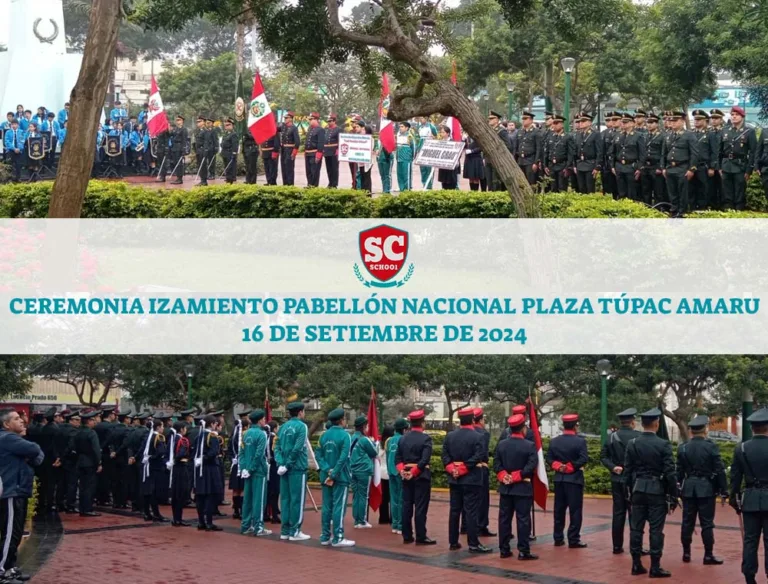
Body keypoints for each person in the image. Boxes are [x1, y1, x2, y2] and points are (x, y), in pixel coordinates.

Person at [624, 407, 678, 577]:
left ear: (642, 424)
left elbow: (627, 471)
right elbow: (670, 472)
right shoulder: (663, 444)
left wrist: (628, 491)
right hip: (656, 490)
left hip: (638, 489)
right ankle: (655, 567)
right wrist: (674, 494)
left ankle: (636, 564)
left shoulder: (632, 443)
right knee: (656, 530)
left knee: (636, 528)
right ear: (657, 423)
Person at [0, 408, 43, 584]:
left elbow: (37, 458)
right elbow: (35, 449)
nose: (22, 421)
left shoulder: (12, 440)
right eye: (17, 419)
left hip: (18, 490)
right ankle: (2, 571)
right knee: (10, 533)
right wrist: (31, 453)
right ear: (6, 424)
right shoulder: (8, 438)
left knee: (16, 532)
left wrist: (31, 455)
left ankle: (10, 568)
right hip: (11, 491)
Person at [600, 408, 651, 555]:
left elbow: (603, 456)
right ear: (633, 422)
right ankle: (637, 547)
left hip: (617, 478)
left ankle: (617, 546)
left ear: (621, 422)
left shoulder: (611, 437)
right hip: (635, 479)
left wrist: (613, 467)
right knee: (635, 513)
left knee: (618, 513)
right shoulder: (639, 437)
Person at [677, 414, 726, 565]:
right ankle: (708, 555)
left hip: (689, 488)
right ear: (705, 430)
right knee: (707, 523)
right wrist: (723, 490)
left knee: (687, 522)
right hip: (706, 488)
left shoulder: (683, 447)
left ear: (691, 431)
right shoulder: (711, 446)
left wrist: (677, 490)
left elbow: (678, 471)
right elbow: (719, 470)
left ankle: (686, 553)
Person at [443, 407, 492, 554]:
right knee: (471, 511)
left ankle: (453, 542)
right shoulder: (478, 436)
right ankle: (473, 543)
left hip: (455, 478)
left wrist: (453, 469)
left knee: (454, 510)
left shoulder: (450, 436)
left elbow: (445, 456)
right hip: (471, 478)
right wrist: (464, 469)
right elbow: (479, 455)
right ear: (472, 420)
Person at [730, 407, 768, 584]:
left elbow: (735, 478)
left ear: (752, 428)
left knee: (750, 541)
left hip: (750, 499)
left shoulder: (741, 448)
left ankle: (749, 576)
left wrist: (734, 498)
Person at [494, 413, 538, 560]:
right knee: (523, 519)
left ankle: (504, 549)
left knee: (504, 519)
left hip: (506, 488)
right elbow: (531, 466)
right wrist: (516, 477)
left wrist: (504, 476)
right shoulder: (529, 445)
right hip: (522, 488)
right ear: (523, 428)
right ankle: (523, 551)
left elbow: (496, 464)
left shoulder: (501, 445)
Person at [546, 413, 589, 548]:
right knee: (575, 510)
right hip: (574, 480)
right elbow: (583, 459)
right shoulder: (580, 441)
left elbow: (549, 459)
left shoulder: (554, 441)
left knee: (559, 509)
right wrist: (571, 467)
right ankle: (573, 539)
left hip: (559, 479)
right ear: (575, 425)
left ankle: (558, 538)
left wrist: (559, 467)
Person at [395, 409, 435, 545]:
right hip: (421, 475)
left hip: (406, 475)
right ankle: (421, 536)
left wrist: (403, 471)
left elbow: (398, 459)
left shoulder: (403, 438)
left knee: (406, 505)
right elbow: (425, 460)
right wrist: (414, 472)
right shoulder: (426, 439)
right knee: (420, 507)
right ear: (422, 423)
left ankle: (407, 535)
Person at [316, 408, 355, 547]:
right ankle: (338, 537)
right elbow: (343, 458)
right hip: (340, 477)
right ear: (341, 420)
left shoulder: (323, 436)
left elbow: (318, 456)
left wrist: (327, 470)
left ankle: (325, 536)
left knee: (326, 507)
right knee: (339, 506)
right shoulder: (345, 436)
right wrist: (334, 473)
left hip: (325, 476)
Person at [275, 401, 311, 541]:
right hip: (297, 468)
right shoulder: (302, 426)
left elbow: (276, 446)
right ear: (300, 412)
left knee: (285, 499)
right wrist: (288, 464)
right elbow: (298, 447)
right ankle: (295, 531)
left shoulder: (283, 427)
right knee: (297, 500)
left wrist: (281, 464)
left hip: (284, 469)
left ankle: (285, 531)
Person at [238, 409, 271, 536]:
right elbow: (259, 454)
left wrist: (244, 468)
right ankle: (259, 527)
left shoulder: (245, 434)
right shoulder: (262, 434)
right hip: (258, 471)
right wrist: (251, 468)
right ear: (260, 420)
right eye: (263, 419)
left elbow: (241, 452)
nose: (265, 421)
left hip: (247, 471)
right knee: (259, 500)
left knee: (248, 499)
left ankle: (246, 526)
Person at [719, 106, 757, 211]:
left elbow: (753, 152)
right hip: (726, 165)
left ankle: (739, 211)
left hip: (740, 165)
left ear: (742, 117)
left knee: (740, 192)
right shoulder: (725, 130)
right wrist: (719, 167)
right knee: (726, 191)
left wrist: (749, 170)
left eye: (736, 115)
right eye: (732, 115)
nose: (734, 117)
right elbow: (720, 151)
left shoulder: (749, 131)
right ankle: (728, 210)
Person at [662, 110, 699, 218]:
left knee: (682, 192)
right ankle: (674, 210)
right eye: (671, 120)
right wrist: (663, 167)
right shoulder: (668, 135)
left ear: (682, 121)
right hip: (670, 168)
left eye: (675, 120)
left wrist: (691, 169)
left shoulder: (689, 135)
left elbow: (694, 153)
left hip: (682, 167)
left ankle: (682, 211)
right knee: (672, 192)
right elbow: (663, 153)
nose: (672, 123)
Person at [193, 414, 224, 531]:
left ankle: (201, 521)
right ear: (212, 424)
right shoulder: (212, 437)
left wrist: (199, 459)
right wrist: (205, 458)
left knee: (200, 495)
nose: (216, 426)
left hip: (200, 468)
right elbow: (214, 452)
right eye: (215, 424)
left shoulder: (199, 436)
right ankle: (209, 522)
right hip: (210, 469)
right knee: (210, 495)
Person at [349, 415, 377, 529]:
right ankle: (362, 521)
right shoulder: (365, 439)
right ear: (364, 426)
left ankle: (356, 520)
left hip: (352, 470)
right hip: (363, 471)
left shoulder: (351, 438)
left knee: (356, 495)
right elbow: (374, 452)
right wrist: (373, 442)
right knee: (363, 496)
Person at [139, 419, 169, 522]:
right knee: (154, 492)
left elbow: (142, 449)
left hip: (146, 466)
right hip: (155, 467)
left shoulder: (148, 436)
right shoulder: (158, 437)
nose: (163, 428)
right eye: (162, 426)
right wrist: (154, 458)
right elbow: (161, 452)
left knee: (147, 491)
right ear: (157, 427)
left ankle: (147, 513)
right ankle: (156, 514)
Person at [612, 113, 645, 201]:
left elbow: (642, 154)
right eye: (622, 122)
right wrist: (613, 166)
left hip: (631, 166)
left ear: (632, 123)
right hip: (619, 166)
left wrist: (639, 168)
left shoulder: (638, 136)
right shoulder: (618, 135)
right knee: (621, 191)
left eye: (626, 122)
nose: (623, 124)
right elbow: (613, 152)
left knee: (631, 192)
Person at [75, 411, 102, 517]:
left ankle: (82, 508)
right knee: (90, 487)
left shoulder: (78, 432)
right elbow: (96, 450)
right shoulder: (91, 433)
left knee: (82, 486)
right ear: (89, 421)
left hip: (80, 461)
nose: (94, 422)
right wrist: (99, 462)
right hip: (90, 462)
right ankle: (88, 509)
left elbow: (74, 446)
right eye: (93, 420)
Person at [689, 110, 717, 211]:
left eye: (699, 119)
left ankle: (702, 208)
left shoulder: (710, 134)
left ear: (705, 121)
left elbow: (714, 152)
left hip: (703, 166)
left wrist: (712, 167)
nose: (696, 121)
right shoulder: (690, 133)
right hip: (691, 166)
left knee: (703, 188)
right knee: (691, 188)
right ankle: (691, 208)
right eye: (695, 119)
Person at [571, 112, 602, 193]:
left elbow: (599, 151)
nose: (581, 123)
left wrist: (597, 167)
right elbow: (575, 151)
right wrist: (574, 165)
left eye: (583, 121)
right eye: (580, 121)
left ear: (589, 123)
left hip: (590, 164)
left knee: (590, 188)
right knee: (581, 188)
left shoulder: (595, 134)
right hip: (580, 164)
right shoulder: (578, 134)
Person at [168, 421, 191, 527]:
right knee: (181, 493)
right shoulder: (183, 440)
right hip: (181, 467)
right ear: (181, 429)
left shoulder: (172, 438)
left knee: (175, 493)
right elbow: (182, 453)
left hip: (174, 468)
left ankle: (176, 518)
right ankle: (178, 519)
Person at [228, 410, 250, 520]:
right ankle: (241, 510)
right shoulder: (244, 437)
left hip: (235, 464)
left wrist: (233, 459)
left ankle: (236, 511)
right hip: (242, 464)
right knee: (242, 488)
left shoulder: (232, 437)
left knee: (236, 489)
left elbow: (229, 451)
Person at [641, 113, 666, 206]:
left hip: (656, 166)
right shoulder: (644, 135)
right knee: (645, 190)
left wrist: (660, 167)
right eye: (648, 122)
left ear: (657, 124)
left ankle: (658, 208)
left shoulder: (662, 136)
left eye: (652, 122)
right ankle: (647, 208)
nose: (649, 124)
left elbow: (663, 153)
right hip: (645, 166)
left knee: (658, 191)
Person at [387, 419, 407, 535]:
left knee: (393, 500)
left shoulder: (389, 440)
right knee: (401, 499)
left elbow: (388, 456)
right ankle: (400, 525)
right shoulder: (403, 439)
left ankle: (394, 525)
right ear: (404, 429)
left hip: (391, 472)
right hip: (400, 472)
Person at [484, 110, 513, 191]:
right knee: (489, 182)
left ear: (497, 120)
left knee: (496, 183)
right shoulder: (488, 130)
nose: (489, 120)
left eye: (492, 118)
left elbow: (508, 146)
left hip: (497, 160)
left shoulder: (502, 131)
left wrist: (499, 154)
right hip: (488, 159)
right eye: (489, 118)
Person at [94, 405, 116, 506]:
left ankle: (98, 497)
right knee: (107, 477)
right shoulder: (111, 426)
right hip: (107, 453)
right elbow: (110, 440)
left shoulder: (97, 426)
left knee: (99, 477)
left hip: (98, 453)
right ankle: (105, 498)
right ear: (110, 415)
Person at [543, 114, 570, 193]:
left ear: (561, 124)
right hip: (552, 166)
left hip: (562, 165)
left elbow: (570, 154)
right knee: (553, 187)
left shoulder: (567, 137)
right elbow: (546, 152)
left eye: (556, 123)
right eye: (553, 123)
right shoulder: (550, 136)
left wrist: (567, 167)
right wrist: (545, 165)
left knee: (562, 188)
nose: (554, 125)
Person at [517, 111, 542, 186]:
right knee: (522, 183)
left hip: (530, 160)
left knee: (531, 182)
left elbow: (538, 148)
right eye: (523, 118)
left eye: (525, 118)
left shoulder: (536, 132)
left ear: (531, 120)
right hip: (521, 160)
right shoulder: (521, 131)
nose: (523, 120)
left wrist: (536, 162)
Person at [265, 419, 281, 523]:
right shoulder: (274, 438)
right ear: (275, 428)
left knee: (269, 490)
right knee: (275, 491)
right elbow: (276, 453)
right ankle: (274, 515)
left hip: (267, 465)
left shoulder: (266, 436)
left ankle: (267, 513)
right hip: (274, 465)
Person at [709, 109, 725, 209]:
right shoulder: (709, 132)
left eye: (716, 118)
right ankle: (713, 207)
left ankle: (723, 207)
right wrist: (711, 166)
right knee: (711, 188)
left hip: (722, 165)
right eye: (712, 118)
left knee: (723, 188)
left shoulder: (725, 131)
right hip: (710, 165)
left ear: (721, 119)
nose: (714, 120)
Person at [378, 425, 394, 525]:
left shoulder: (379, 444)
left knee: (383, 498)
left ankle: (383, 518)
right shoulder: (393, 443)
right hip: (391, 472)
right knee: (393, 497)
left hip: (381, 473)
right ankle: (393, 518)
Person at [303, 112, 325, 187]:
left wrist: (319, 154)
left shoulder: (320, 130)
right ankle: (309, 185)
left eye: (311, 119)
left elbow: (321, 143)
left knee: (314, 171)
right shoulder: (310, 129)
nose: (309, 121)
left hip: (314, 153)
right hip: (308, 153)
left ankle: (314, 186)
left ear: (316, 120)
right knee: (308, 171)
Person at [416, 116, 438, 189]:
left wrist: (433, 138)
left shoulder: (431, 126)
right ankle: (424, 184)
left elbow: (437, 136)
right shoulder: (419, 127)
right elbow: (418, 138)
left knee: (429, 168)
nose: (421, 119)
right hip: (421, 149)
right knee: (422, 168)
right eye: (420, 118)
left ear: (426, 118)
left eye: (422, 118)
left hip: (429, 149)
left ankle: (429, 185)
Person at [279, 112, 300, 186]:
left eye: (286, 118)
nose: (285, 119)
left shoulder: (294, 128)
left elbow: (297, 142)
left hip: (290, 150)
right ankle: (285, 184)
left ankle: (290, 185)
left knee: (289, 169)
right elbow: (275, 129)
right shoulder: (283, 127)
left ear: (291, 118)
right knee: (283, 168)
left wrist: (294, 152)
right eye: (285, 118)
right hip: (283, 150)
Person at [602, 111, 620, 199]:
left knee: (619, 187)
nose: (612, 122)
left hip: (618, 163)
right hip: (607, 164)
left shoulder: (622, 133)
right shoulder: (605, 133)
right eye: (610, 120)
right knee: (607, 186)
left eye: (615, 119)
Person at [436, 125, 460, 190]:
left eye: (443, 132)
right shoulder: (440, 142)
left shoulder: (453, 142)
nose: (442, 134)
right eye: (441, 132)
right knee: (444, 184)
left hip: (451, 168)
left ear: (448, 133)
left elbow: (457, 153)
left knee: (451, 184)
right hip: (443, 167)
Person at [395, 122, 415, 191]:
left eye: (402, 126)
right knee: (399, 175)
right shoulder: (398, 135)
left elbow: (414, 148)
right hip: (399, 159)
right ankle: (401, 189)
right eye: (400, 126)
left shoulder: (409, 136)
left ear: (407, 128)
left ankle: (407, 190)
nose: (400, 128)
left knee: (406, 176)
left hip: (406, 159)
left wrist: (411, 158)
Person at [168, 115, 188, 185]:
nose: (177, 121)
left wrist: (183, 150)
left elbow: (184, 140)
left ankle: (180, 178)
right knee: (176, 163)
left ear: (182, 121)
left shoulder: (184, 129)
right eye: (177, 120)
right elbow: (170, 134)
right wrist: (168, 128)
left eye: (179, 120)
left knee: (179, 164)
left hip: (179, 148)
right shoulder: (176, 129)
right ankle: (177, 177)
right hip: (174, 147)